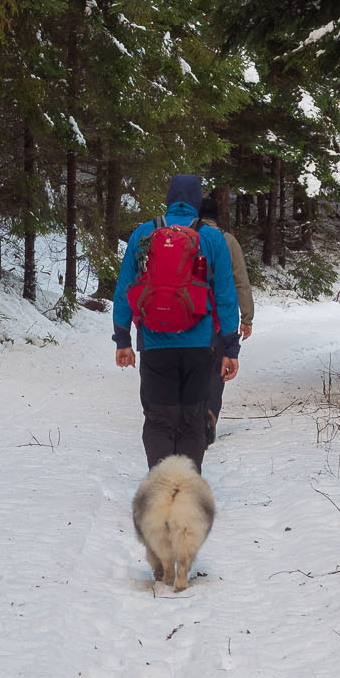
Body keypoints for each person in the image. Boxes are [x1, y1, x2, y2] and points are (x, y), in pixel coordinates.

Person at [113, 174, 240, 472]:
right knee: (192, 418)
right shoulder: (212, 239)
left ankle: (161, 484)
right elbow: (225, 295)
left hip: (154, 343)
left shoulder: (144, 234)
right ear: (196, 202)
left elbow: (124, 290)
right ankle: (186, 487)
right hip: (199, 345)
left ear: (169, 198)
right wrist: (230, 348)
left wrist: (123, 339)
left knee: (159, 417)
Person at [199, 195, 254, 445]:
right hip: (221, 319)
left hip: (190, 318)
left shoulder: (185, 237)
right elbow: (240, 280)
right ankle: (209, 416)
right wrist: (247, 317)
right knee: (216, 372)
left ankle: (189, 418)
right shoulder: (227, 240)